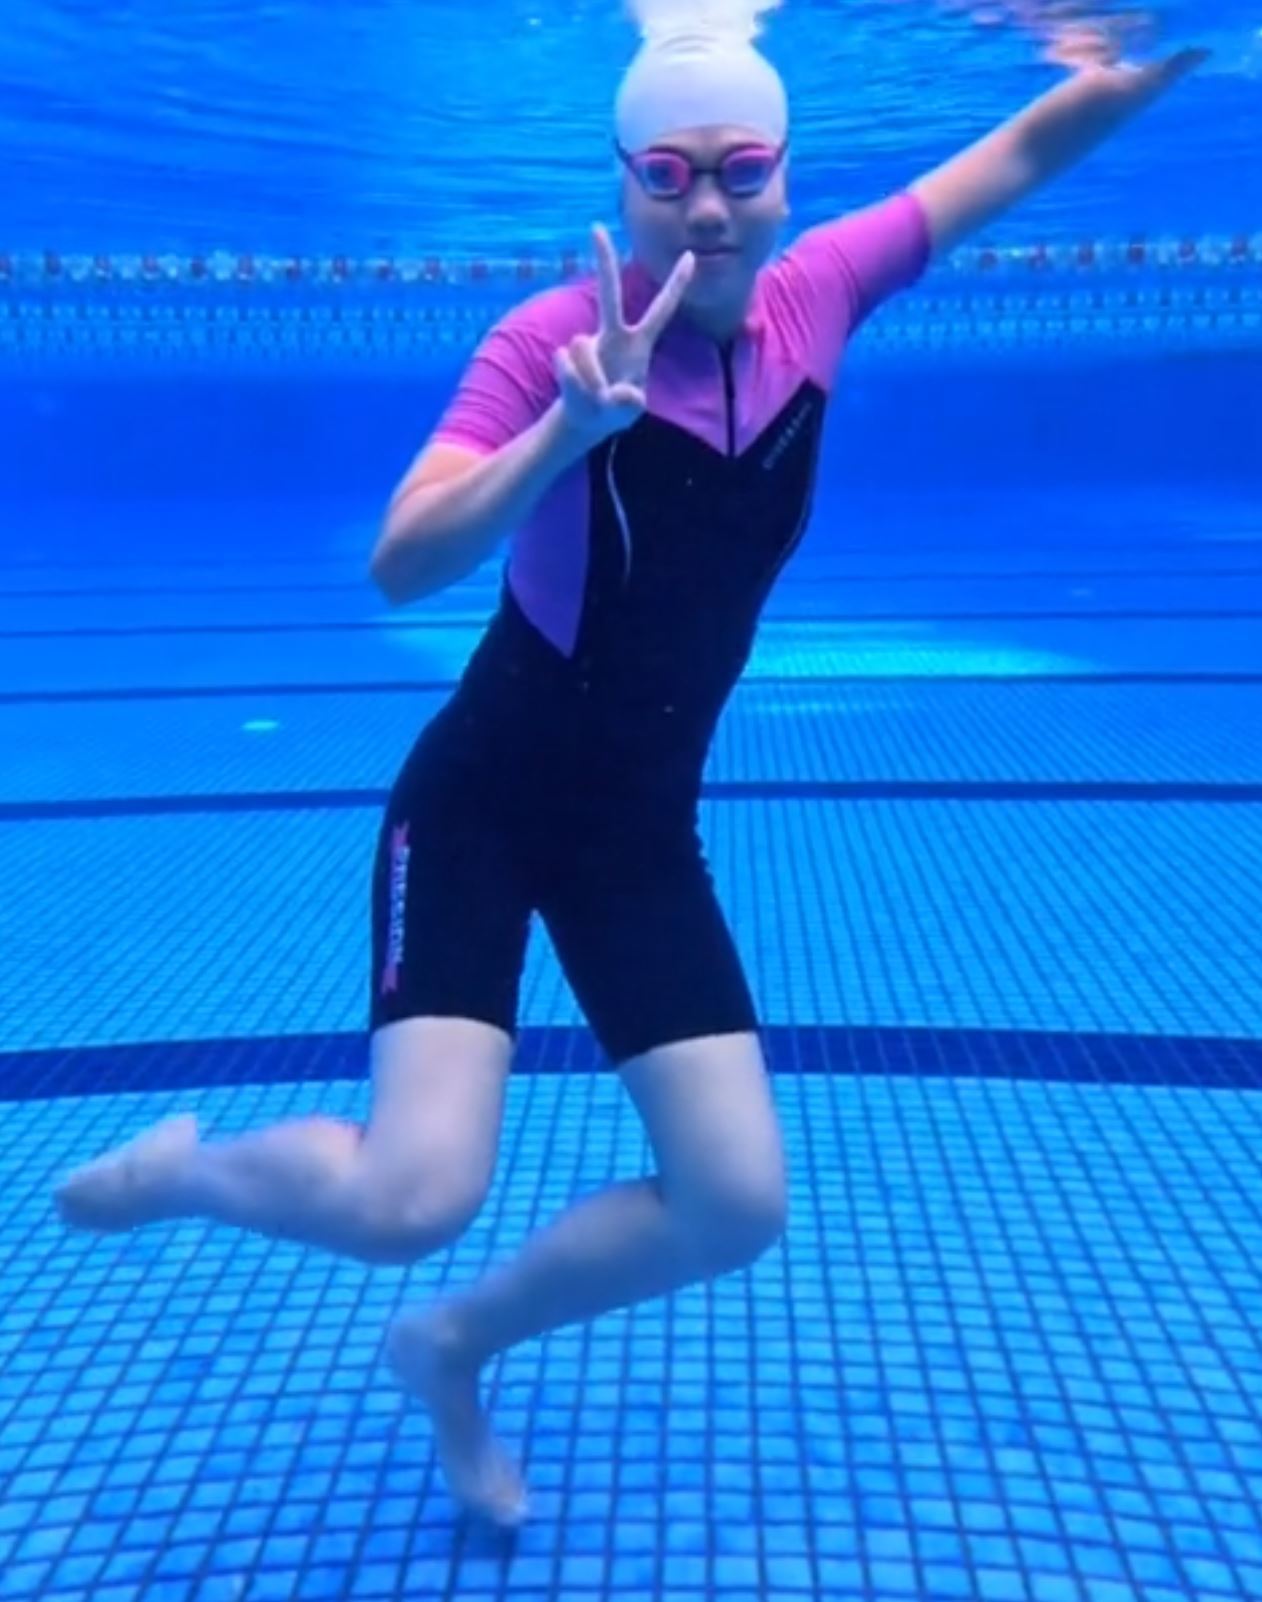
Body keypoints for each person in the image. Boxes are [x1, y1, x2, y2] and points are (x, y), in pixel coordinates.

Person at [55, 0, 1204, 1529]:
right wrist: (561, 431)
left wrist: (1119, 67)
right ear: (621, 181)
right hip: (482, 803)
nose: (705, 205)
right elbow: (401, 562)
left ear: (783, 178)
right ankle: (192, 1170)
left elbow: (1003, 163)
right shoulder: (547, 341)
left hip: (636, 834)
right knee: (412, 1196)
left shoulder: (822, 294)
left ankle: (451, 1343)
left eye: (738, 169)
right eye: (666, 173)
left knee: (735, 1202)